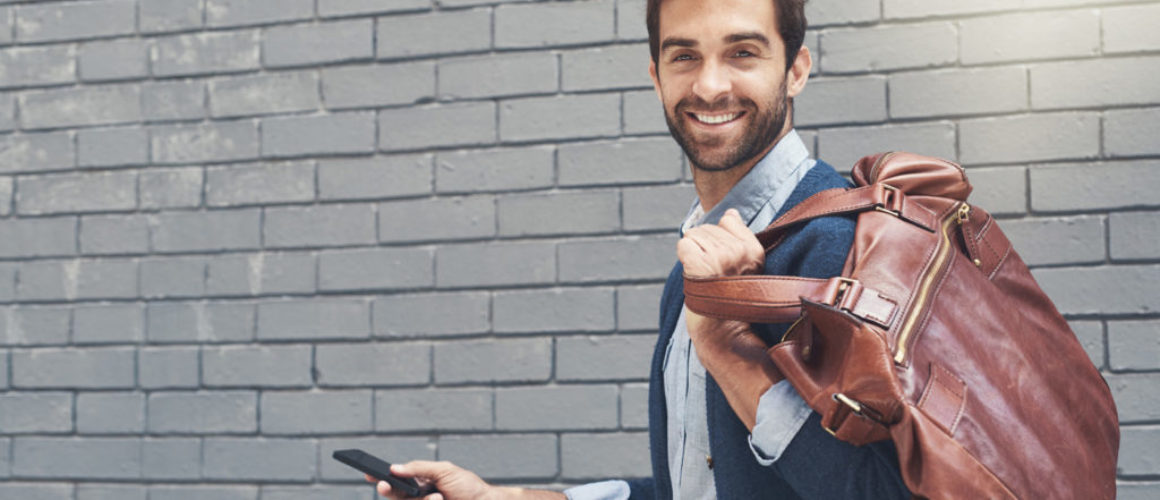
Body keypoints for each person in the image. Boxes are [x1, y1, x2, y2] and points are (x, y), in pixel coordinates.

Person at [371, 0, 910, 498]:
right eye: (684, 56)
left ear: (796, 69)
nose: (710, 85)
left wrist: (724, 343)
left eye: (742, 53)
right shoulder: (693, 267)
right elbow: (699, 484)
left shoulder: (838, 250)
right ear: (656, 77)